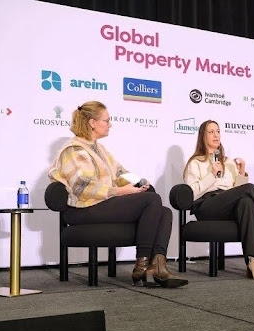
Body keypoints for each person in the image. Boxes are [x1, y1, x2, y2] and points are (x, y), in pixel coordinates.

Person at [48, 101, 188, 288]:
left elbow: (120, 173)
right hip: (82, 208)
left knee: (164, 212)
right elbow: (82, 186)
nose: (110, 124)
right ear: (92, 123)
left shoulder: (99, 149)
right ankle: (143, 264)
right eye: (106, 120)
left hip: (101, 204)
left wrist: (140, 182)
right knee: (152, 200)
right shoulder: (73, 150)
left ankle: (157, 265)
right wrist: (120, 191)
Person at [182, 120, 254, 280]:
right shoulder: (196, 162)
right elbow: (192, 194)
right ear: (203, 136)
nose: (216, 135)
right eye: (211, 132)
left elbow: (236, 191)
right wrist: (211, 174)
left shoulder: (227, 162)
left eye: (217, 131)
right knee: (252, 189)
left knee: (246, 202)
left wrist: (241, 173)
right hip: (206, 206)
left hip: (226, 203)